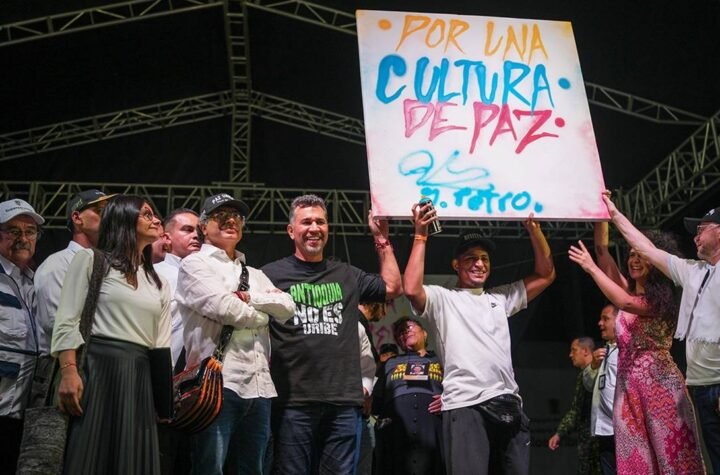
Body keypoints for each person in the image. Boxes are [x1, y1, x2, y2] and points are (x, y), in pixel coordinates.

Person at [403, 201, 555, 475]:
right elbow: (412, 289)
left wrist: (535, 231)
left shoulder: (501, 298)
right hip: (465, 404)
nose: (479, 264)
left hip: (508, 402)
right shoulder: (443, 299)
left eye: (484, 258)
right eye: (471, 258)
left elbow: (546, 275)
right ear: (456, 264)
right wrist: (421, 236)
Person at [261, 194, 402, 475]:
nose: (314, 228)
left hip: (343, 402)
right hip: (292, 402)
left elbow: (392, 287)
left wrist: (381, 239)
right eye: (306, 222)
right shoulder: (270, 274)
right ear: (291, 230)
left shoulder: (346, 274)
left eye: (320, 222)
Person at [569, 220, 705, 473]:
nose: (634, 260)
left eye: (641, 255)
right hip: (628, 386)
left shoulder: (662, 300)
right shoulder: (629, 291)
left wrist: (591, 268)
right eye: (631, 255)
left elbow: (625, 303)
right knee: (635, 459)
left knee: (672, 457)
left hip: (659, 385)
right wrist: (601, 215)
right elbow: (601, 251)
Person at [176, 193, 295, 475]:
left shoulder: (254, 273)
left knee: (253, 469)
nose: (231, 220)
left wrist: (249, 298)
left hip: (260, 385)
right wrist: (263, 314)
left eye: (237, 216)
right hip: (217, 382)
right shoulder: (194, 264)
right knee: (210, 468)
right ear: (203, 227)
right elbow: (225, 307)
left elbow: (288, 307)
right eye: (220, 216)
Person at [52, 195, 172, 474]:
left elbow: (161, 343)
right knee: (90, 454)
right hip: (97, 372)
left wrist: (163, 402)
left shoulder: (159, 281)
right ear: (123, 218)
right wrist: (69, 371)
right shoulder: (91, 260)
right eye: (147, 214)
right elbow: (67, 320)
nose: (157, 220)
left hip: (140, 376)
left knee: (132, 459)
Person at [601, 196, 720, 472]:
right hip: (701, 385)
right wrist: (614, 213)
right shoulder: (693, 271)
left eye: (701, 230)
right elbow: (646, 248)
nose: (695, 237)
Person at [34, 190, 113, 401]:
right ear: (77, 218)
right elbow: (55, 323)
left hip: (98, 365)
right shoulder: (57, 264)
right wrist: (70, 369)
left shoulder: (110, 266)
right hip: (63, 366)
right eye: (100, 211)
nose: (109, 217)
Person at [0, 198, 44, 474]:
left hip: (22, 410)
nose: (23, 238)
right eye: (13, 231)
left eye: (30, 231)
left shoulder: (36, 280)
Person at [372, 317, 444, 475]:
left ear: (424, 333)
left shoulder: (440, 358)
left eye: (410, 327)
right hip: (397, 431)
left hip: (433, 425)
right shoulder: (391, 363)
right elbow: (376, 401)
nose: (405, 332)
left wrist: (448, 399)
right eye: (400, 333)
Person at [154, 208, 201, 369]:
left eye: (199, 230)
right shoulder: (155, 275)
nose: (196, 235)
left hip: (201, 376)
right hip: (161, 369)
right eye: (187, 230)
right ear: (167, 238)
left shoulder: (210, 276)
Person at [548, 337, 600, 475]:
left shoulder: (600, 372)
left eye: (574, 350)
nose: (570, 355)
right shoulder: (583, 375)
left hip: (599, 441)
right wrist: (560, 433)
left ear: (585, 351)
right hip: (588, 442)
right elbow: (576, 410)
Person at [582, 304, 619, 475]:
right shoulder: (603, 352)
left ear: (620, 321)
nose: (600, 323)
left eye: (605, 319)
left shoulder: (628, 352)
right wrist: (593, 366)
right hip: (604, 428)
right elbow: (588, 384)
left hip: (622, 428)